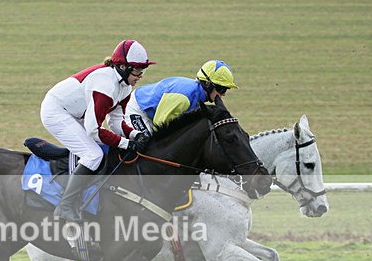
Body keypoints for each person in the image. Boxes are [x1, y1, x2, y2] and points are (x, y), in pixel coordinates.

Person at [40, 40, 155, 222]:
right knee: (93, 155)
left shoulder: (125, 85)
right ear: (123, 67)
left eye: (143, 70)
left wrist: (136, 135)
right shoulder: (105, 85)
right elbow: (93, 130)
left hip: (76, 113)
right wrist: (127, 143)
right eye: (138, 70)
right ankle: (64, 207)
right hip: (56, 112)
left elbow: (116, 121)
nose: (141, 75)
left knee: (104, 151)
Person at [125, 59, 238, 133]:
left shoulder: (198, 97)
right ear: (208, 84)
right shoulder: (184, 97)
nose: (223, 94)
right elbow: (160, 126)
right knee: (147, 145)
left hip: (151, 113)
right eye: (221, 89)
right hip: (138, 109)